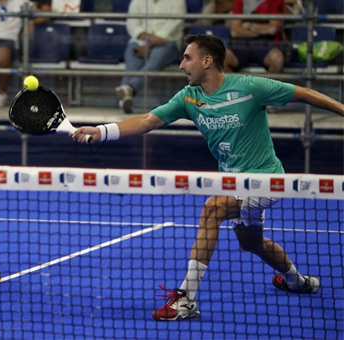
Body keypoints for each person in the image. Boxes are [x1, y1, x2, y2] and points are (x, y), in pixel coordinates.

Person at [72, 34, 343, 321]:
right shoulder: (189, 97)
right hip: (233, 183)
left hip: (266, 180)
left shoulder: (251, 87)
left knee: (213, 209)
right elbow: (148, 120)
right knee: (252, 243)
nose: (181, 65)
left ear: (207, 61)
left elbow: (303, 93)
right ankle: (296, 281)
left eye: (187, 58)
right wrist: (101, 130)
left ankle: (186, 299)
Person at [114, 0, 187, 114]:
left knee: (153, 62)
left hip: (168, 43)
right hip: (139, 41)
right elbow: (132, 24)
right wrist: (148, 41)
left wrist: (149, 45)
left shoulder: (178, 1)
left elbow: (173, 25)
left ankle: (129, 89)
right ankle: (127, 95)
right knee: (132, 62)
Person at [226, 0, 286, 73]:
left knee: (277, 59)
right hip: (240, 44)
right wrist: (261, 31)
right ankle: (238, 84)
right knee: (219, 60)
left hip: (265, 44)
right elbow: (235, 31)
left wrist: (249, 25)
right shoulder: (240, 1)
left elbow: (273, 28)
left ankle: (265, 85)